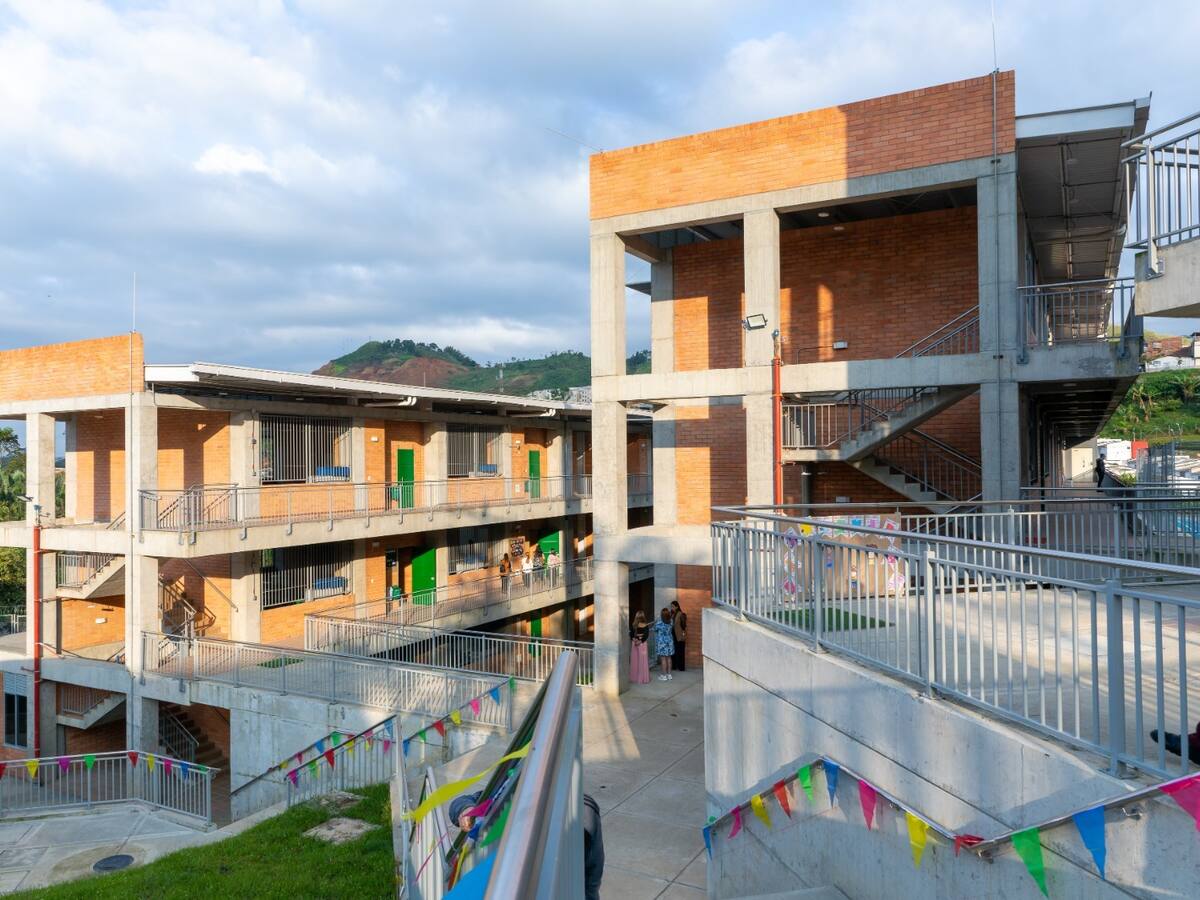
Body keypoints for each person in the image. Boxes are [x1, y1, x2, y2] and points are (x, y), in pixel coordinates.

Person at [449, 791, 604, 899]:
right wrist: (466, 810)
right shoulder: (511, 790)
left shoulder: (581, 814)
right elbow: (461, 802)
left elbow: (590, 881)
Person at [652, 607, 675, 681]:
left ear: (661, 615)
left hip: (662, 643)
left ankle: (664, 675)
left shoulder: (659, 622)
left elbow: (654, 629)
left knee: (663, 659)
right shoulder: (671, 621)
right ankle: (669, 674)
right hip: (670, 642)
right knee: (669, 658)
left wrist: (656, 622)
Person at [629, 610, 650, 684]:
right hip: (641, 643)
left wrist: (634, 640)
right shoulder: (645, 625)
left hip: (635, 643)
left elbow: (631, 634)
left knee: (635, 660)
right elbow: (646, 635)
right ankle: (642, 678)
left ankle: (635, 678)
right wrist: (639, 641)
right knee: (642, 660)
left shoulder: (633, 624)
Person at [670, 600, 688, 673]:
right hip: (673, 635)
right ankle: (674, 666)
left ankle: (681, 667)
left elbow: (684, 625)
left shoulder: (681, 614)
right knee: (673, 651)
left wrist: (682, 632)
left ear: (677, 606)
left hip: (679, 635)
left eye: (673, 606)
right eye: (671, 607)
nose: (672, 608)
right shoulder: (672, 614)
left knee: (680, 651)